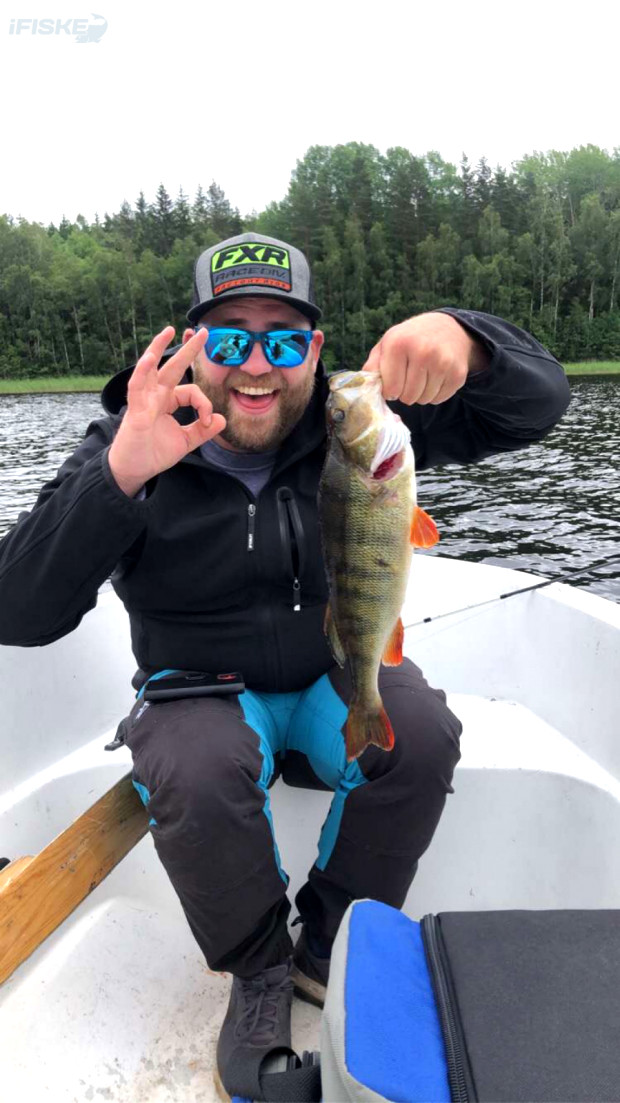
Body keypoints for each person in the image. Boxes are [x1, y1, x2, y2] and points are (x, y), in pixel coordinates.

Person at [0, 233, 571, 1100]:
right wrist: (120, 474)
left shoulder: (359, 424)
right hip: (199, 689)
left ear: (315, 346)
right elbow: (19, 610)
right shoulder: (129, 436)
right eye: (230, 339)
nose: (258, 365)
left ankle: (325, 945)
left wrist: (471, 341)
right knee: (194, 768)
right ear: (194, 346)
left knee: (419, 732)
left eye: (285, 337)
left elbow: (536, 407)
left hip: (330, 672)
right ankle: (261, 969)